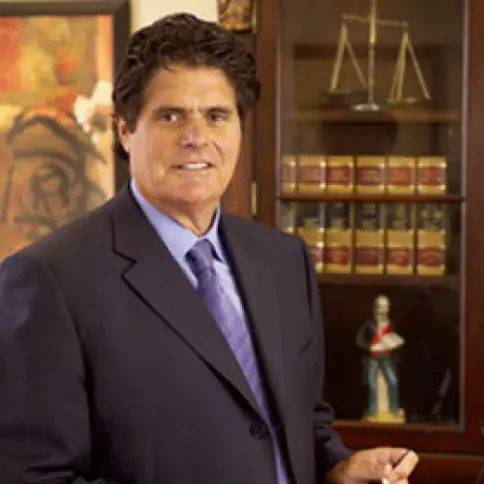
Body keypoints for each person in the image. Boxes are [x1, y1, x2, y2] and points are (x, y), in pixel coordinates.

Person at [0, 13, 419, 484]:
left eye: (216, 115)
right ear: (124, 129)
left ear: (239, 130)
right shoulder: (48, 279)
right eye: (170, 115)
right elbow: (34, 477)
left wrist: (336, 468)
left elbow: (304, 421)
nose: (195, 136)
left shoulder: (284, 260)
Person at [356, 295, 405, 421]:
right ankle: (372, 411)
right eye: (381, 307)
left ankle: (393, 409)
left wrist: (394, 342)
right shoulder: (369, 324)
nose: (383, 310)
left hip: (386, 356)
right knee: (372, 384)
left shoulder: (391, 323)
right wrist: (370, 348)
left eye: (385, 307)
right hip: (373, 357)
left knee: (392, 381)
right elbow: (359, 340)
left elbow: (394, 337)